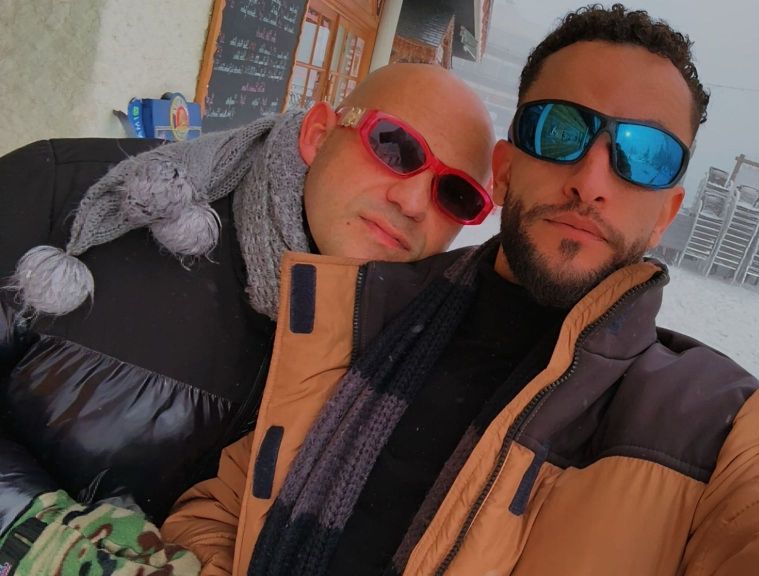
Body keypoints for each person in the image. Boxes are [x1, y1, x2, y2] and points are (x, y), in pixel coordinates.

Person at [154, 5, 759, 575]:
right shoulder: (365, 309)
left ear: (667, 212)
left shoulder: (713, 424)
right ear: (508, 168)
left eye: (645, 156)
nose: (593, 179)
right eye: (563, 130)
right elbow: (229, 505)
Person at [0, 64, 494, 571]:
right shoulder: (76, 196)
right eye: (394, 147)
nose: (412, 202)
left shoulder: (401, 363)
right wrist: (44, 542)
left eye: (455, 195)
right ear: (318, 134)